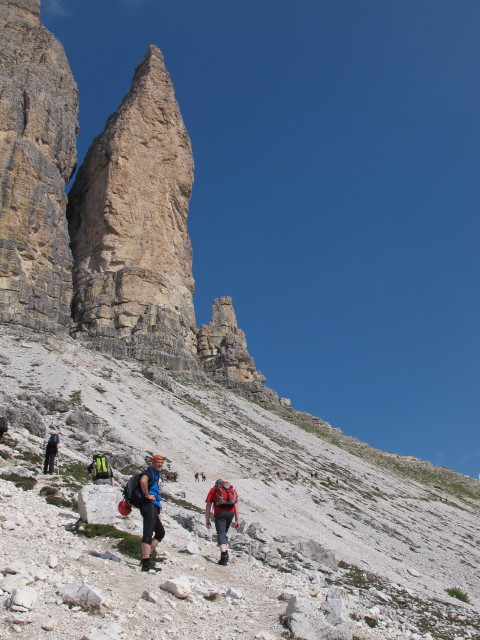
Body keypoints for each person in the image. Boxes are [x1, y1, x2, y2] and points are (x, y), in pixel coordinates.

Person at [139, 455, 165, 572]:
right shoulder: (149, 472)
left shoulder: (155, 474)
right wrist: (147, 495)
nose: (160, 464)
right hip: (148, 505)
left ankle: (146, 557)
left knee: (160, 532)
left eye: (161, 462)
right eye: (158, 462)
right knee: (148, 533)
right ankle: (146, 563)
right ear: (153, 462)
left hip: (154, 507)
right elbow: (143, 480)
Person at [205, 479, 240, 566]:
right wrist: (237, 520)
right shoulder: (232, 490)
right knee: (224, 533)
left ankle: (224, 557)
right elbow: (236, 505)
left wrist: (207, 519)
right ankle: (226, 553)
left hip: (219, 513)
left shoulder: (214, 489)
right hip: (230, 513)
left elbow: (208, 505)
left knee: (221, 533)